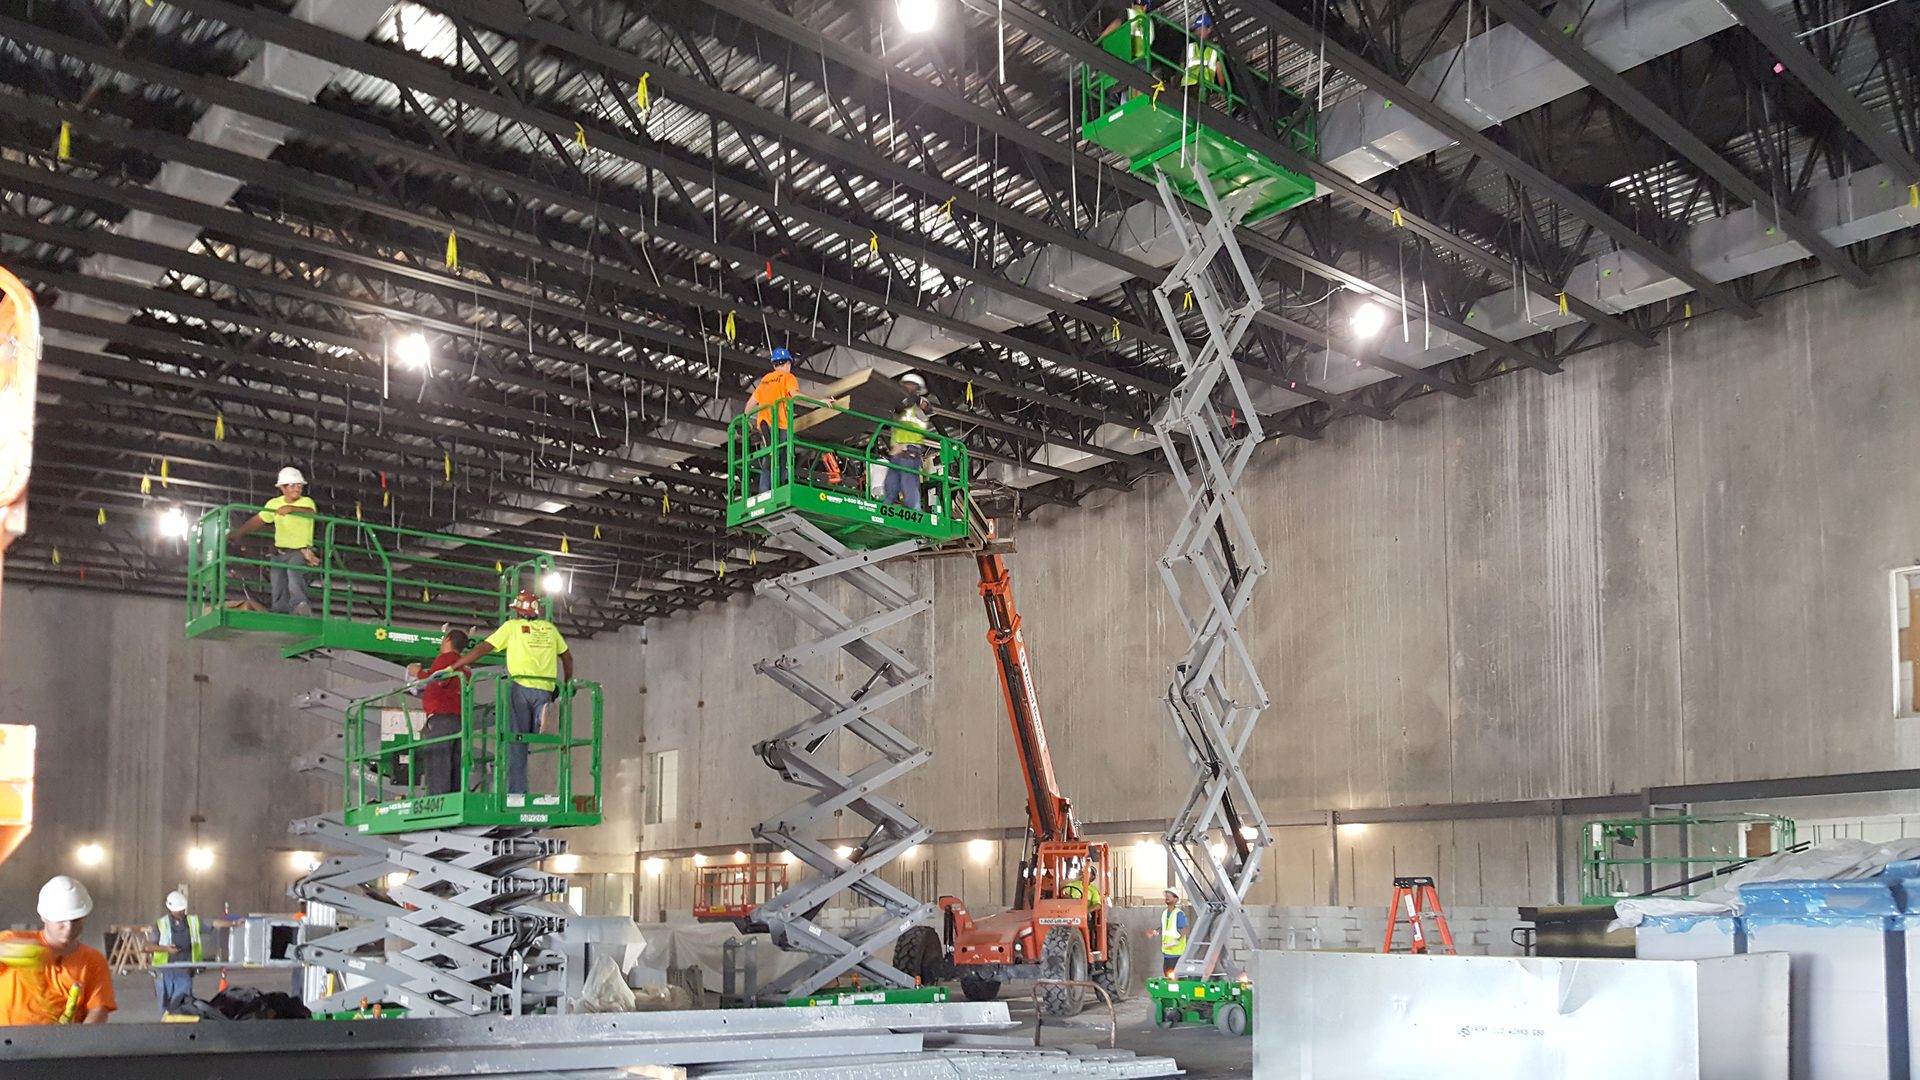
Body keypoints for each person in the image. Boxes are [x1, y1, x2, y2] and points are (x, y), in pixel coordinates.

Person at [447, 591, 573, 795]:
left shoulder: (512, 627)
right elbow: (567, 658)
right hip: (546, 688)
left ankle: (517, 793)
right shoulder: (550, 629)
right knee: (534, 733)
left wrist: (454, 666)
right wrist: (567, 684)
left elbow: (484, 648)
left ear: (518, 611)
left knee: (516, 744)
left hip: (520, 687)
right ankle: (541, 718)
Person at [0, 876, 115, 1024]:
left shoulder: (93, 960)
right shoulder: (10, 939)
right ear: (43, 916)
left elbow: (98, 1010)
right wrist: (6, 949)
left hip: (62, 1043)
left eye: (75, 920)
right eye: (61, 920)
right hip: (9, 1042)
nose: (69, 927)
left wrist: (82, 1043)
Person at [228, 466, 319, 616]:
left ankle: (300, 606)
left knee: (294, 573)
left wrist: (291, 509)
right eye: (293, 485)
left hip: (300, 550)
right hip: (280, 550)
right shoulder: (273, 504)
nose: (298, 489)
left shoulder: (307, 502)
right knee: (277, 578)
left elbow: (311, 512)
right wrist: (239, 533)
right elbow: (259, 520)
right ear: (282, 488)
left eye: (300, 485)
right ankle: (280, 609)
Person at [408, 629, 472, 796]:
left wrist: (418, 673)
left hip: (441, 719)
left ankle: (438, 802)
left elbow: (438, 679)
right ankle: (455, 798)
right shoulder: (465, 665)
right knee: (455, 764)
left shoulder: (447, 659)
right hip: (458, 720)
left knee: (438, 763)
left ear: (448, 640)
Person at [747, 347, 800, 493]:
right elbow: (795, 396)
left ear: (774, 365)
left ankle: (764, 492)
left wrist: (746, 421)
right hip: (781, 424)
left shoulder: (765, 381)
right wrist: (819, 400)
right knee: (784, 458)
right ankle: (780, 490)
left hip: (765, 423)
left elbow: (750, 404)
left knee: (769, 458)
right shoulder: (789, 378)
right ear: (788, 364)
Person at [881, 373, 932, 511]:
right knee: (891, 482)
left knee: (908, 481)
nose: (907, 388)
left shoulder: (920, 407)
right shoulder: (899, 408)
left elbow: (926, 408)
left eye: (910, 386)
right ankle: (888, 506)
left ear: (917, 389)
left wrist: (915, 398)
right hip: (897, 451)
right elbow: (895, 410)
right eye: (905, 385)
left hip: (910, 449)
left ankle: (915, 510)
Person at [150, 890, 202, 1014]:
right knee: (165, 1008)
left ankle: (180, 1031)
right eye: (179, 910)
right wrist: (166, 949)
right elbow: (147, 947)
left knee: (183, 1007)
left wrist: (233, 923)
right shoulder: (161, 924)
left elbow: (212, 923)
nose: (181, 913)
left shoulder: (192, 922)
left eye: (182, 910)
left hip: (184, 972)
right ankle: (167, 1031)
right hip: (164, 973)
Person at [1183, 14, 1227, 100]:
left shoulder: (1215, 50)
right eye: (1196, 29)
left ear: (1209, 30)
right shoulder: (1190, 47)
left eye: (1200, 29)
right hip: (1187, 85)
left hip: (1204, 87)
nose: (1198, 32)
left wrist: (1222, 89)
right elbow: (1181, 66)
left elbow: (1219, 70)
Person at [1153, 888, 1189, 977]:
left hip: (1177, 954)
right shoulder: (1165, 913)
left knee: (1175, 979)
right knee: (1168, 977)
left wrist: (1176, 941)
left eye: (1170, 895)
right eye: (1166, 895)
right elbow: (1165, 928)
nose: (1167, 897)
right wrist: (1157, 931)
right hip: (1167, 953)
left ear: (1176, 899)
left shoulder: (1179, 914)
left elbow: (1184, 930)